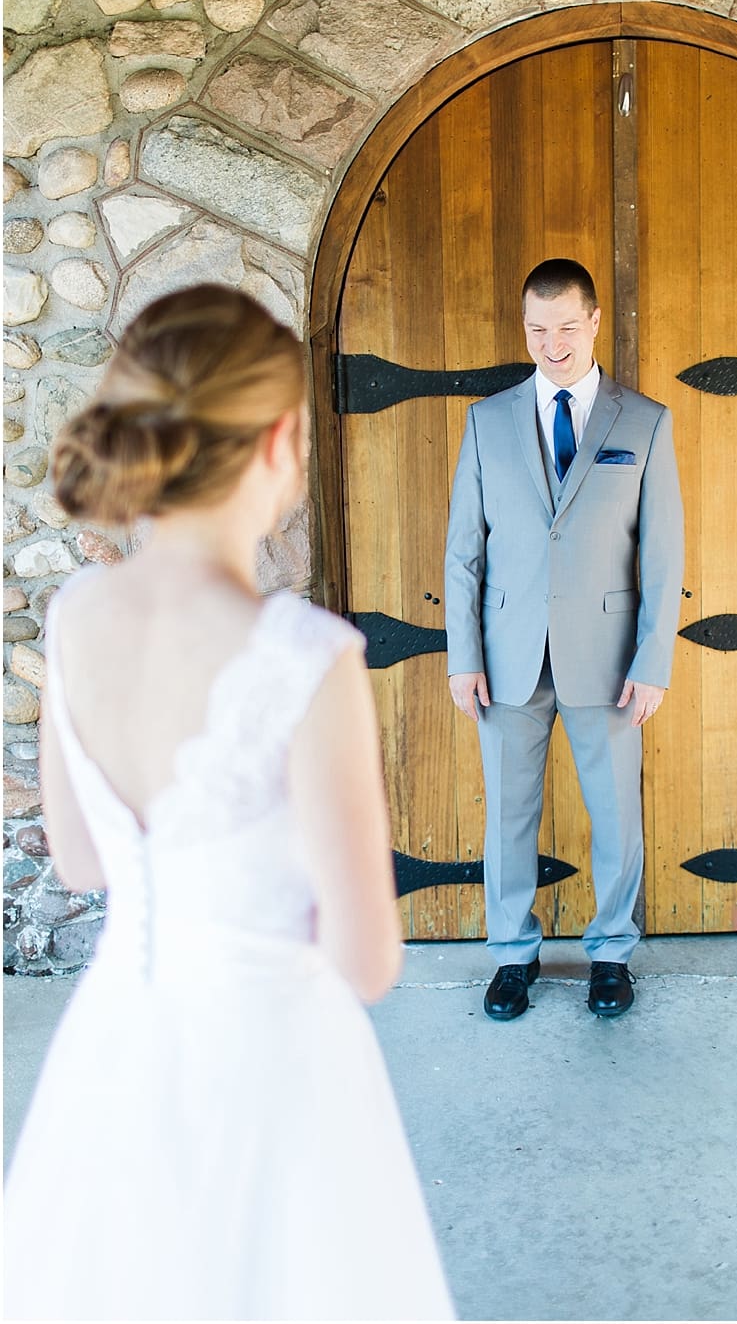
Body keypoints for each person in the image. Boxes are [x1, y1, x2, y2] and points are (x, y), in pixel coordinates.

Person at [5, 285, 454, 1319]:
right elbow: (368, 961)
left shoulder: (75, 615)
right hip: (271, 1063)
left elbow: (79, 859)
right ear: (281, 442)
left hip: (117, 1045)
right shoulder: (304, 655)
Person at [444, 258, 684, 1020]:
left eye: (567, 328)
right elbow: (463, 550)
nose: (553, 344)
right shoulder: (486, 422)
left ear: (594, 323)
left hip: (606, 661)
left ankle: (610, 953)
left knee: (615, 814)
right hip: (506, 658)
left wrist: (653, 661)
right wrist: (462, 656)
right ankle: (512, 955)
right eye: (537, 329)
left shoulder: (643, 422)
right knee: (508, 817)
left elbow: (662, 555)